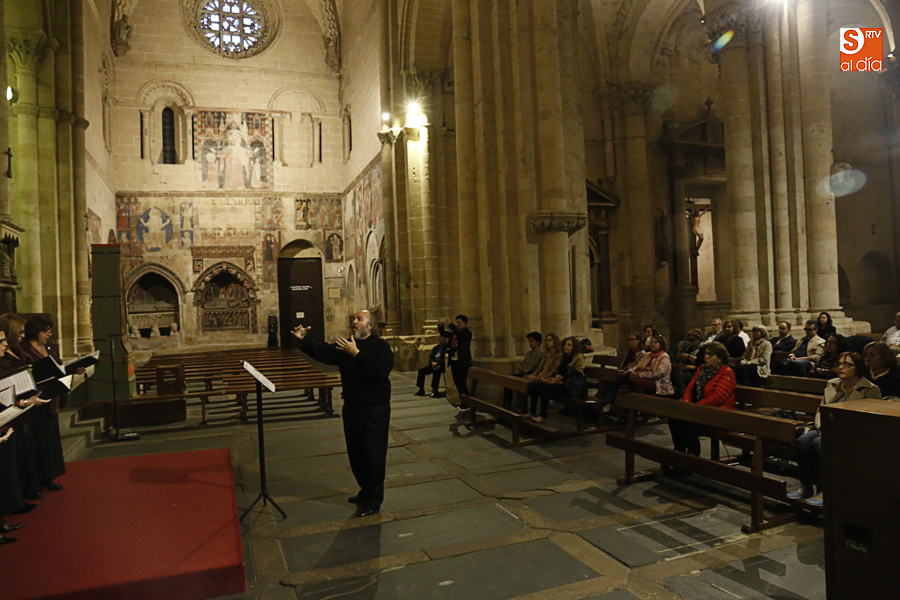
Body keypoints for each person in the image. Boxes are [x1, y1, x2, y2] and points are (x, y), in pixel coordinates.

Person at [292, 310, 394, 518]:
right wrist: (304, 339)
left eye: (359, 319)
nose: (354, 322)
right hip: (352, 407)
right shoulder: (346, 345)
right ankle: (365, 491)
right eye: (353, 319)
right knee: (356, 454)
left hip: (374, 410)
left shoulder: (380, 346)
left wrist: (356, 353)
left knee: (373, 455)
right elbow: (324, 352)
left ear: (370, 325)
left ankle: (373, 499)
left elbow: (380, 371)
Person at [787, 352, 882, 506]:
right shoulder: (833, 384)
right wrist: (822, 427)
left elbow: (865, 422)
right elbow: (821, 410)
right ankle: (806, 485)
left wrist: (834, 431)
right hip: (826, 428)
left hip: (850, 434)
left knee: (819, 444)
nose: (841, 367)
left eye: (847, 364)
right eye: (839, 364)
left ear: (858, 368)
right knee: (803, 441)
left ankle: (826, 490)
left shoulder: (870, 390)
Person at [19, 317, 70, 496]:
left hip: (52, 400)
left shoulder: (50, 348)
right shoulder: (24, 350)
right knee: (36, 443)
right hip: (35, 402)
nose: (49, 334)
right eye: (45, 330)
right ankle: (35, 482)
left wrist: (72, 370)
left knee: (49, 442)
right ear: (35, 331)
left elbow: (59, 368)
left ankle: (49, 477)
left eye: (50, 330)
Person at [0, 314, 42, 506]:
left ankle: (17, 499)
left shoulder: (16, 351)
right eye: (1, 341)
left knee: (15, 458)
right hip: (7, 413)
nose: (4, 345)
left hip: (14, 410)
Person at [669, 342, 736, 456]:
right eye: (705, 354)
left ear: (720, 358)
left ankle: (693, 453)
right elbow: (690, 388)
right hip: (700, 409)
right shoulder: (701, 369)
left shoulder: (726, 373)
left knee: (689, 420)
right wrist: (687, 403)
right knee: (674, 415)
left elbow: (719, 397)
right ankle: (680, 450)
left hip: (718, 412)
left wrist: (696, 407)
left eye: (711, 354)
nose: (706, 357)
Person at [530, 337, 585, 422]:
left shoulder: (578, 357)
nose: (566, 347)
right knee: (535, 385)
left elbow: (578, 374)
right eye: (565, 345)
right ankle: (532, 413)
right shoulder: (563, 357)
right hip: (560, 383)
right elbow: (555, 371)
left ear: (574, 347)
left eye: (569, 345)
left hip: (570, 386)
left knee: (546, 389)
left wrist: (563, 377)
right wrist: (556, 375)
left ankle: (542, 416)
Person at [438, 315, 472, 413]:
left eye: (459, 322)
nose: (457, 324)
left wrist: (450, 324)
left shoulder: (467, 333)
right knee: (457, 383)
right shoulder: (454, 333)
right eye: (456, 322)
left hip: (462, 362)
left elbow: (460, 335)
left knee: (462, 383)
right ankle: (463, 402)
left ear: (465, 323)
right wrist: (440, 325)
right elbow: (443, 333)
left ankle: (466, 403)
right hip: (454, 361)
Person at [524, 333, 562, 417]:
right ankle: (530, 412)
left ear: (555, 341)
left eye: (549, 340)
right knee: (531, 385)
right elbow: (539, 367)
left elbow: (553, 371)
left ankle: (539, 415)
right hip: (542, 378)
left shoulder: (558, 356)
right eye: (546, 340)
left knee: (536, 386)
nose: (547, 342)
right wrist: (533, 376)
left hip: (550, 379)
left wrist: (539, 377)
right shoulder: (546, 354)